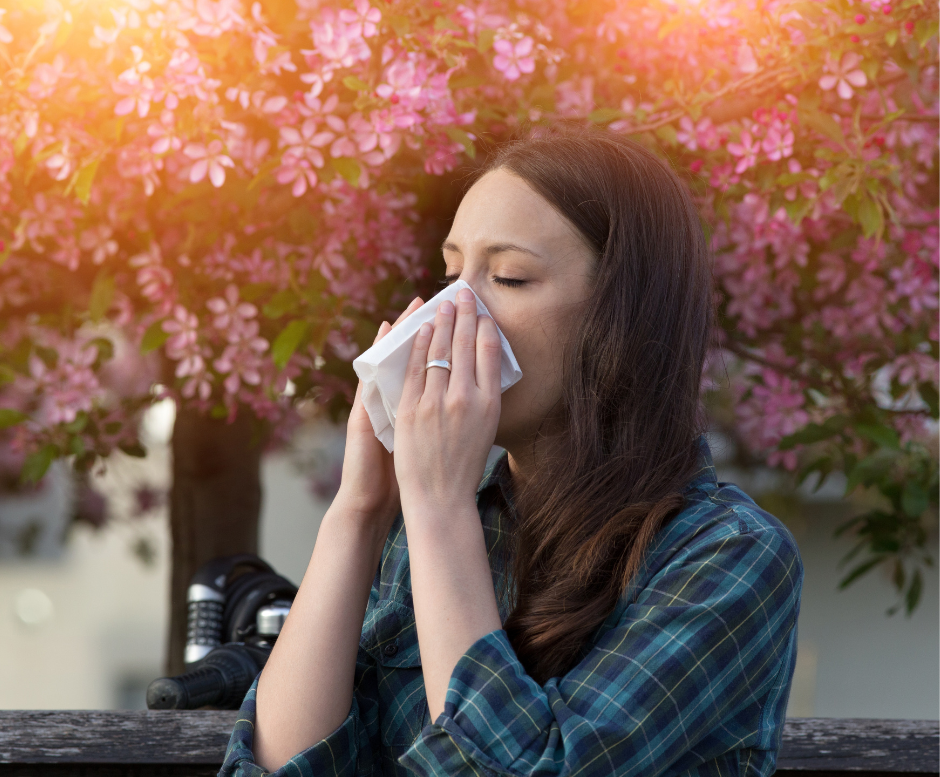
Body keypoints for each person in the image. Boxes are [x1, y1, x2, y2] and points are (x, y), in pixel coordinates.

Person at [219, 126, 804, 777]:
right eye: (450, 273)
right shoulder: (428, 532)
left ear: (621, 317)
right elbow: (273, 770)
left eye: (508, 276)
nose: (450, 310)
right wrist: (358, 512)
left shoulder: (730, 555)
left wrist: (439, 507)